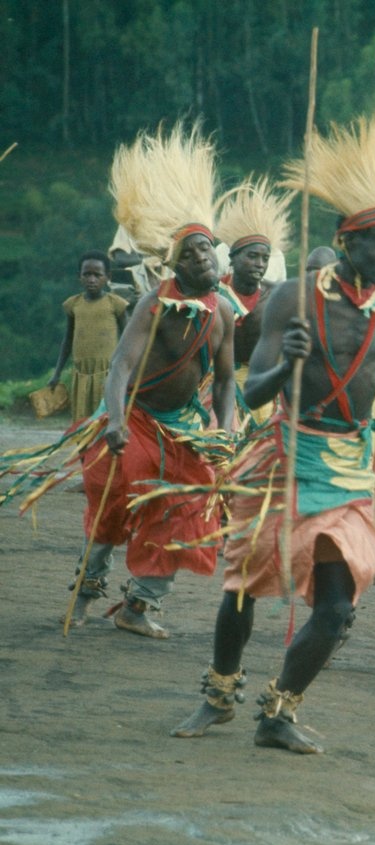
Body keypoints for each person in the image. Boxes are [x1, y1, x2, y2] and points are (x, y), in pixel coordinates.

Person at [172, 116, 375, 752]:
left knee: (339, 610)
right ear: (348, 241)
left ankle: (279, 711)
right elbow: (245, 388)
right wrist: (286, 358)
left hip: (349, 466)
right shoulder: (293, 297)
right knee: (244, 590)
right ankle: (220, 691)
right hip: (284, 458)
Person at [64, 127, 237, 636]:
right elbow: (120, 366)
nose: (201, 258)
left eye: (206, 249)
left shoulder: (222, 311)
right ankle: (86, 588)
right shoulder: (152, 304)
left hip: (182, 427)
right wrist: (114, 420)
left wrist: (222, 430)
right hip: (134, 421)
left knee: (186, 507)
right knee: (113, 505)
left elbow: (225, 382)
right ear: (173, 262)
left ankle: (140, 605)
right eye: (190, 253)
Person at [213, 177, 291, 428]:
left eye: (264, 257)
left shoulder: (274, 295)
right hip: (218, 383)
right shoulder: (215, 295)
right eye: (252, 256)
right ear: (233, 258)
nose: (259, 263)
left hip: (261, 384)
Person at [49, 251, 129, 420]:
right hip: (81, 374)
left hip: (109, 374)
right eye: (87, 274)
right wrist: (57, 373)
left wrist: (129, 371)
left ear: (108, 276)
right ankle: (84, 446)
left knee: (105, 419)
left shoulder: (116, 304)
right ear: (79, 276)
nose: (92, 279)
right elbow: (68, 339)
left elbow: (129, 339)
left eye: (97, 275)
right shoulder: (74, 305)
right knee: (82, 420)